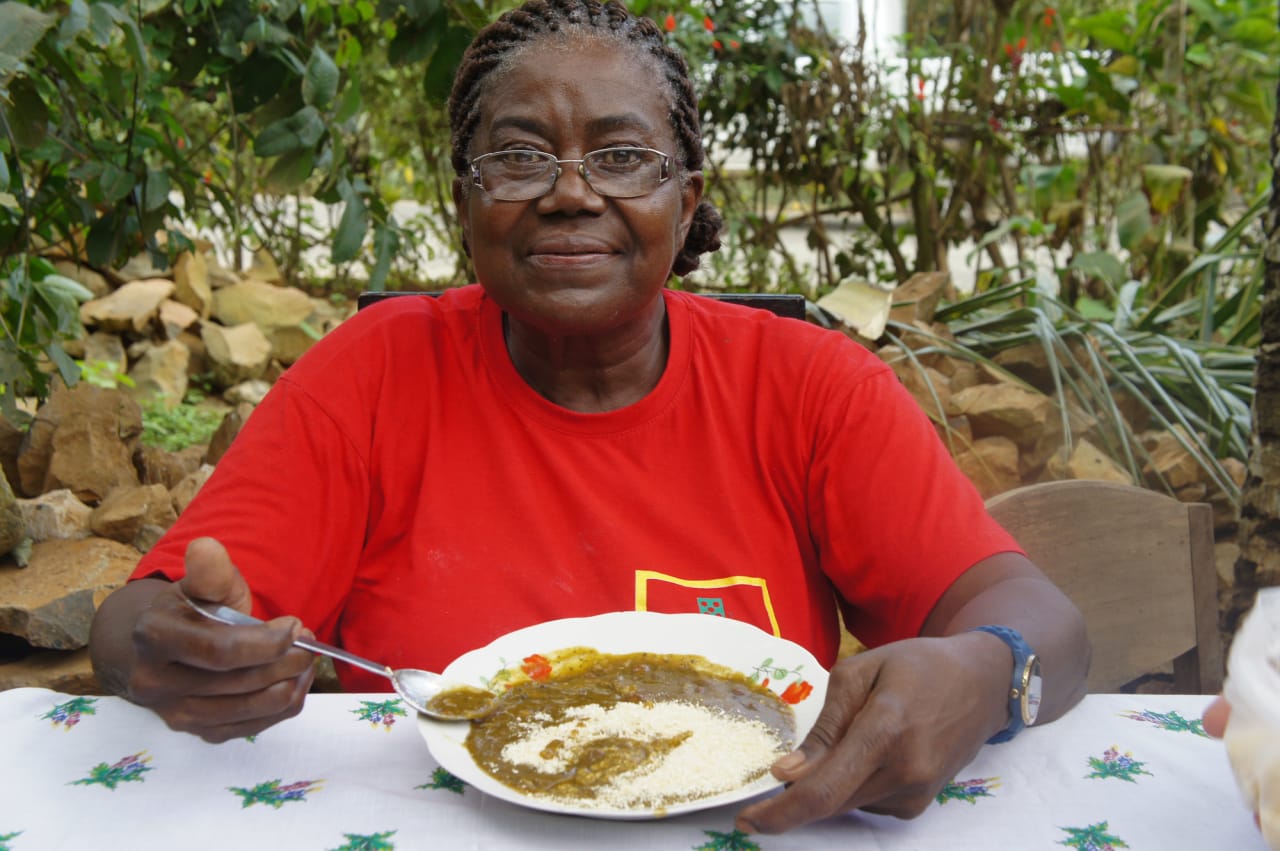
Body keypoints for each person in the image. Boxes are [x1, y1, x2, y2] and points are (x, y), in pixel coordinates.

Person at [89, 0, 1089, 834]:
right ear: (464, 203)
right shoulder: (374, 373)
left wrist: (988, 670)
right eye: (519, 158)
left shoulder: (804, 384)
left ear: (687, 200)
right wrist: (172, 646)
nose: (570, 196)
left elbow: (1043, 620)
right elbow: (144, 621)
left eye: (620, 157)